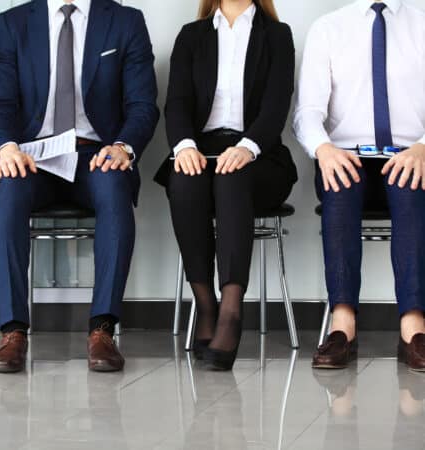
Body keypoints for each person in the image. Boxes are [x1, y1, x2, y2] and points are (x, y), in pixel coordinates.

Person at [0, 0, 159, 373]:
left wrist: (122, 147)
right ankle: (13, 333)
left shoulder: (125, 21)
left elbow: (143, 104)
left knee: (114, 188)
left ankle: (103, 330)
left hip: (95, 154)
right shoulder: (14, 23)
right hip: (34, 156)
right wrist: (7, 148)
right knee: (9, 189)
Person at [155, 0, 297, 371]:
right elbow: (177, 102)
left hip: (260, 156)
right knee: (184, 182)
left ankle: (231, 310)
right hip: (201, 150)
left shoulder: (277, 35)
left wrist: (248, 147)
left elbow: (276, 105)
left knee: (232, 177)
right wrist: (184, 146)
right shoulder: (192, 35)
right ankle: (206, 305)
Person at [294, 0, 425, 370]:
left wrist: (422, 149)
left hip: (410, 154)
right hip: (346, 154)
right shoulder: (329, 27)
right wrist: (323, 150)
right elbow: (308, 111)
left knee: (410, 187)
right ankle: (343, 323)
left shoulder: (422, 23)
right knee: (340, 187)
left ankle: (413, 327)